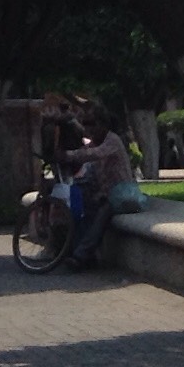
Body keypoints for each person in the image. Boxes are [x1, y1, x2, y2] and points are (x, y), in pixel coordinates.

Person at [62, 100, 145, 270]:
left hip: (122, 196)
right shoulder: (95, 143)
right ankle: (80, 251)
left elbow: (93, 154)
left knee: (102, 213)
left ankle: (80, 256)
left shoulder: (112, 141)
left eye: (91, 123)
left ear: (103, 124)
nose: (88, 129)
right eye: (85, 124)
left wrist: (66, 155)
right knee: (81, 208)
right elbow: (84, 154)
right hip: (107, 195)